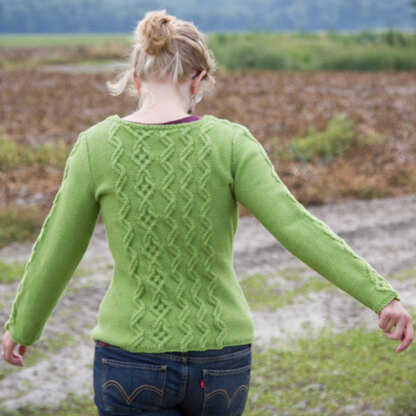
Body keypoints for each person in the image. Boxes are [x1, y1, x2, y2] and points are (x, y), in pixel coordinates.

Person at [1, 8, 413, 416]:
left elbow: (59, 247)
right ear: (198, 80)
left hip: (130, 357)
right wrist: (380, 296)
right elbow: (294, 225)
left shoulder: (96, 146)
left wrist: (23, 327)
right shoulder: (231, 143)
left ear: (135, 78)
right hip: (221, 363)